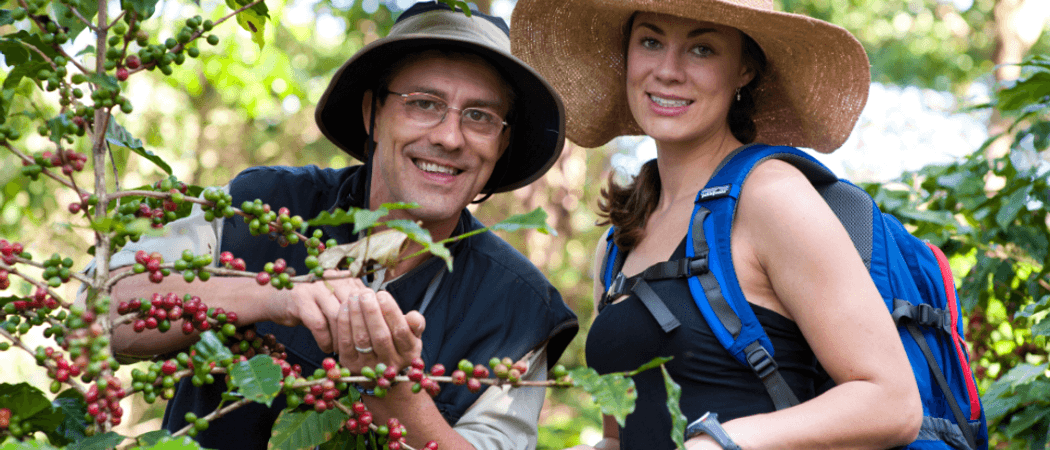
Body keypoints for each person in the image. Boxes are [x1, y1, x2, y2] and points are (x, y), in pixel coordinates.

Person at [103, 2, 578, 449]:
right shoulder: (265, 206)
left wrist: (394, 394)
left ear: (502, 142)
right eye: (423, 103)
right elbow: (102, 313)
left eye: (479, 116)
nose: (450, 137)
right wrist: (271, 296)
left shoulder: (519, 308)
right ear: (374, 113)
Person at [512, 0, 922, 449]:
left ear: (744, 68)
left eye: (702, 49)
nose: (667, 70)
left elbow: (893, 404)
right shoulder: (618, 241)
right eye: (650, 41)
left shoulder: (771, 197)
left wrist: (719, 440)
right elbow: (622, 434)